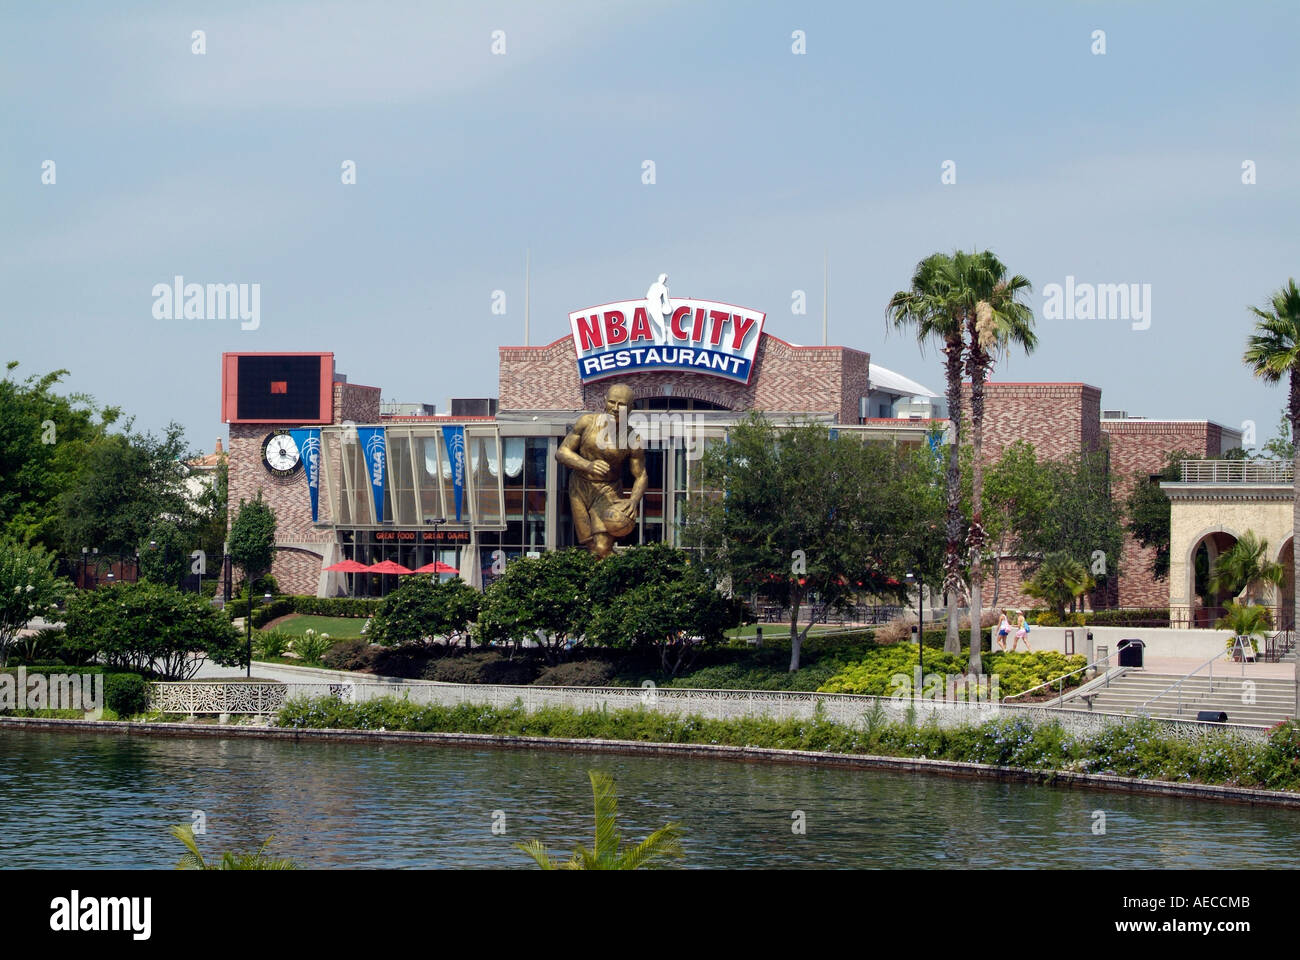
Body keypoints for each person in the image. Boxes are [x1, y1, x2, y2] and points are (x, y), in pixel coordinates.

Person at [554, 383, 648, 558]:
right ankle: (607, 582)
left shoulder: (632, 438)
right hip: (579, 486)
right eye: (612, 402)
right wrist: (587, 465)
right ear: (605, 401)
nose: (615, 408)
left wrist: (634, 501)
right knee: (593, 548)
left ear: (631, 408)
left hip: (607, 489)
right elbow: (561, 453)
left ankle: (624, 578)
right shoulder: (586, 422)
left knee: (602, 546)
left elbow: (641, 475)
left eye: (622, 404)